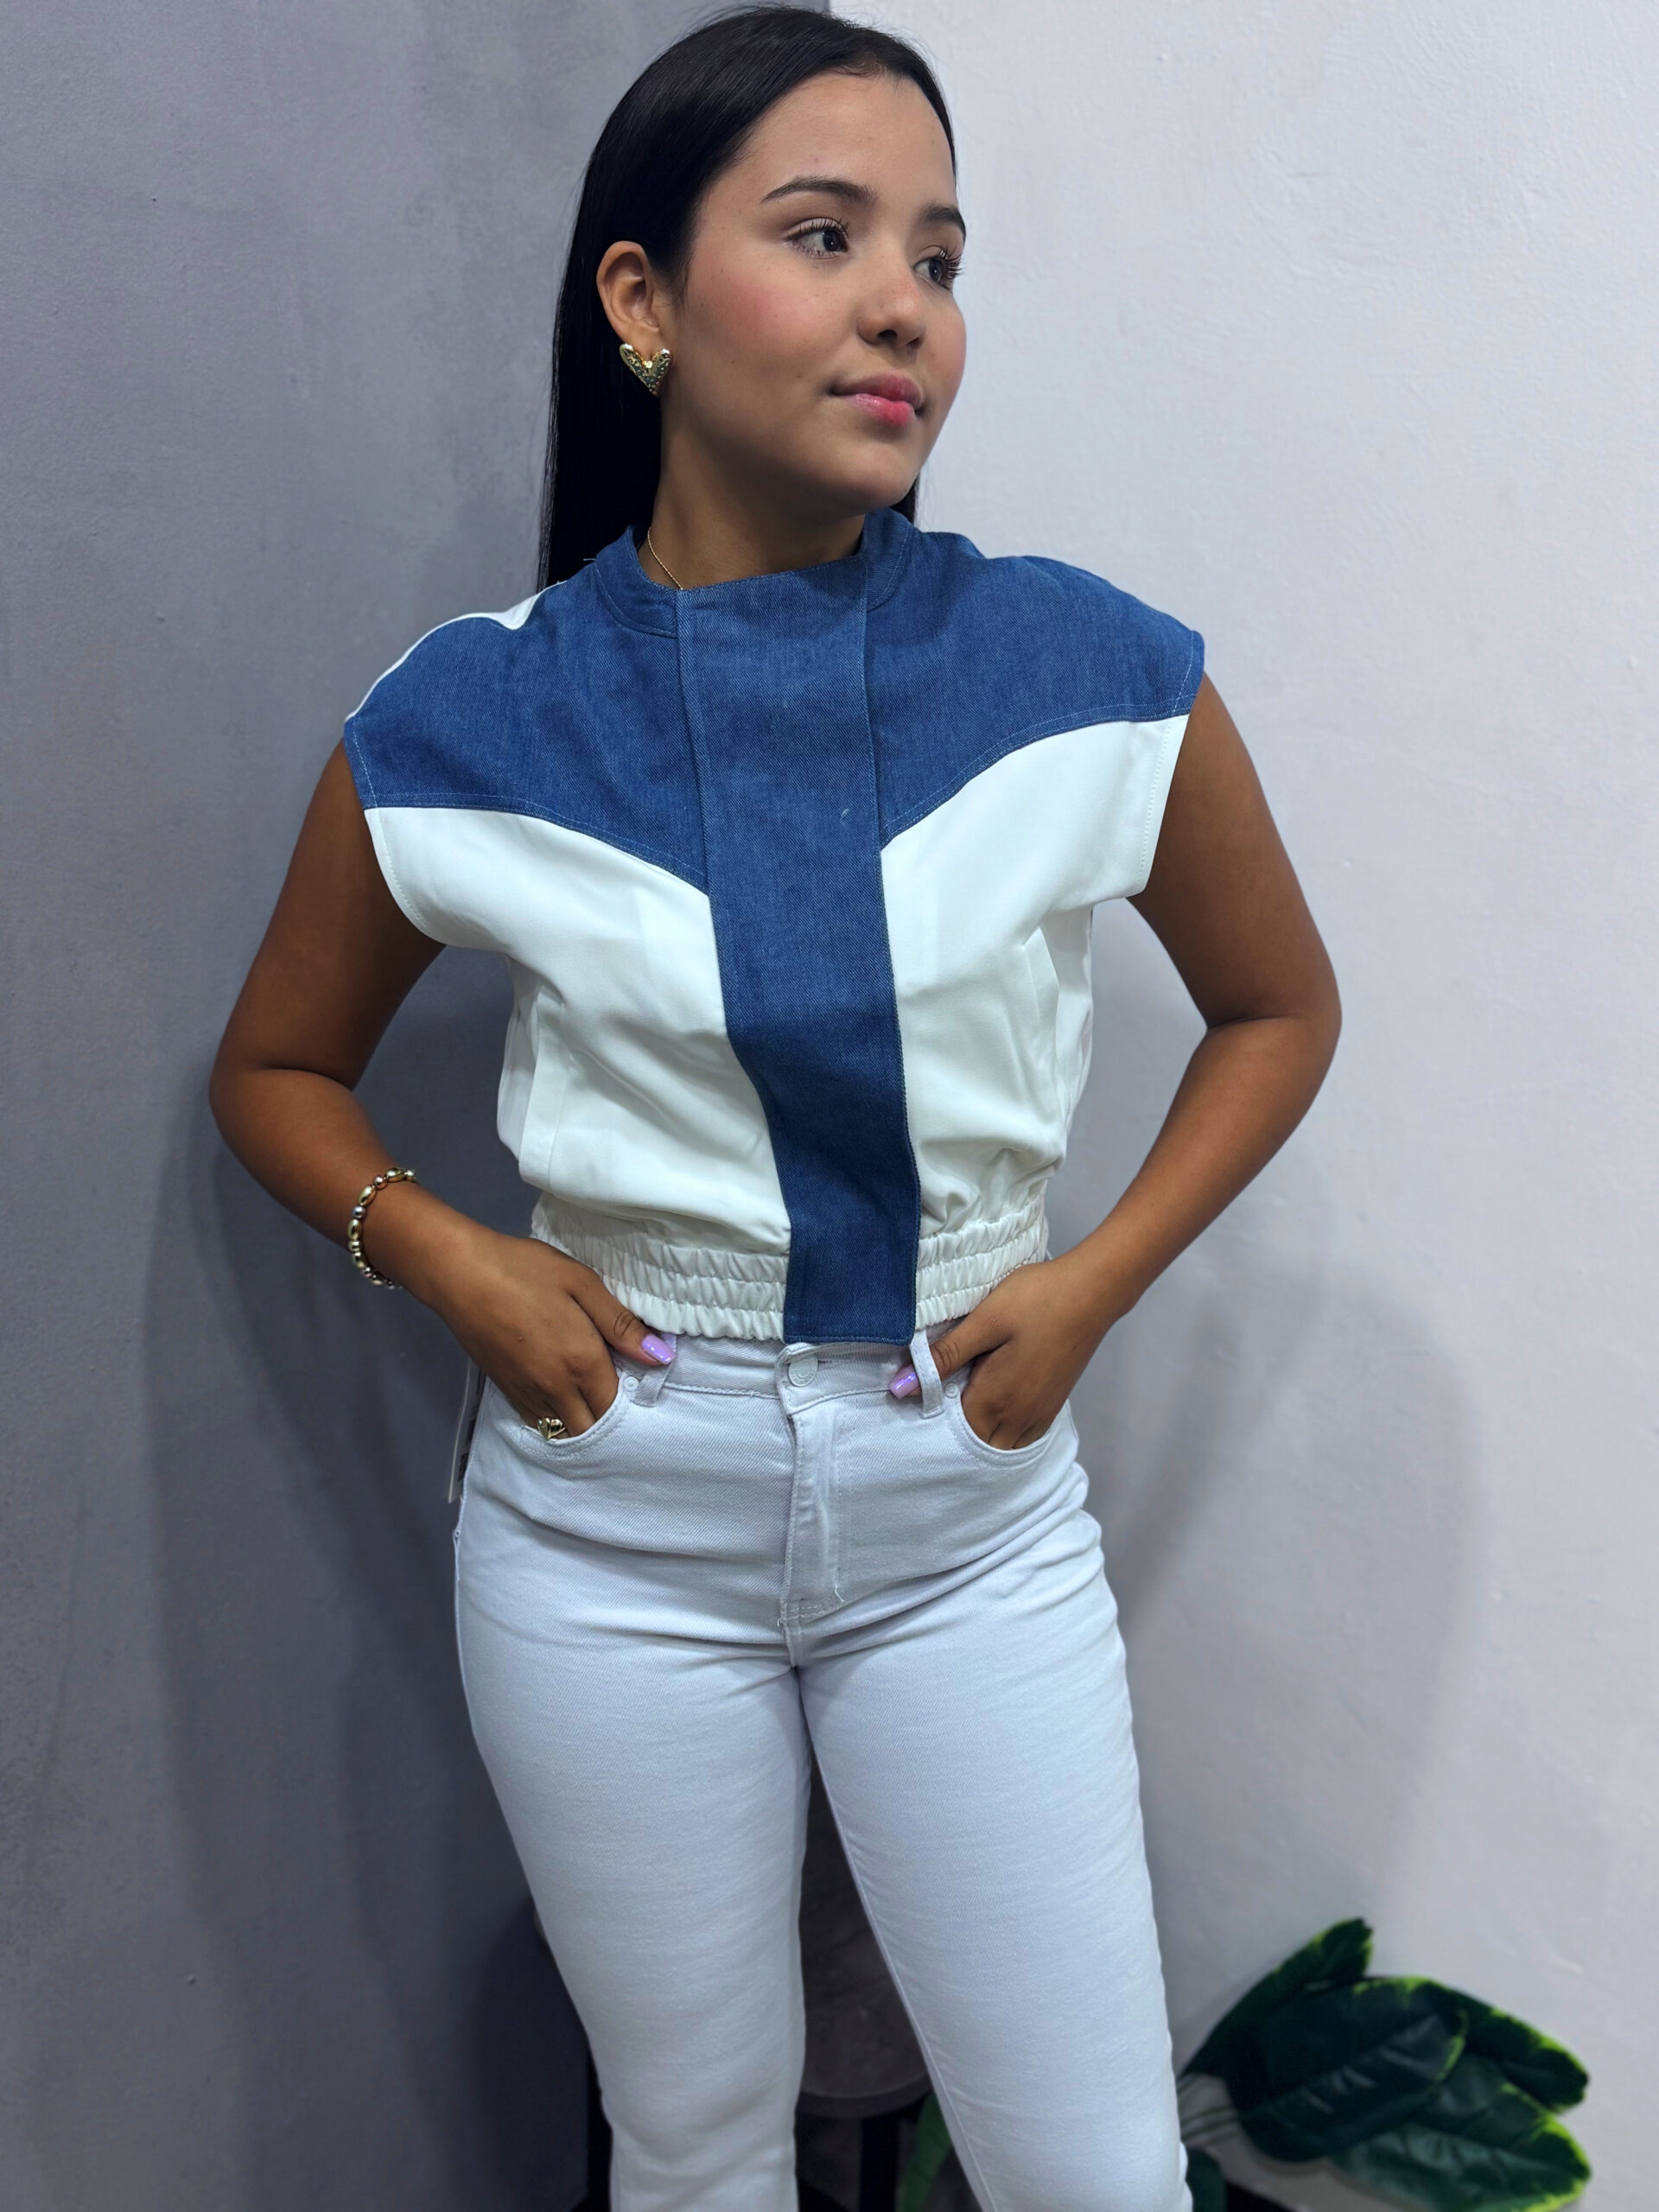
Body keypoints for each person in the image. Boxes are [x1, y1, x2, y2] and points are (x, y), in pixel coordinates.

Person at [211, 10, 1340, 2209]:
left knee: (1094, 2166)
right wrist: (444, 1256)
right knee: (696, 2142)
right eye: (825, 235)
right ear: (640, 299)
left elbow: (1280, 1006)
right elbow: (274, 1069)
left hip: (967, 1518)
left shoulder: (1095, 673)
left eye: (939, 254)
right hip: (609, 1522)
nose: (903, 302)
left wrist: (1095, 1280)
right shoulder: (466, 716)